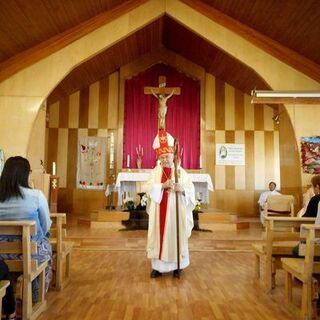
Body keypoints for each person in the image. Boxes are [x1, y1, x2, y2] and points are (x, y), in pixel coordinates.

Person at [0, 156, 52, 302]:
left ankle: (7, 297)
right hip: (30, 254)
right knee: (44, 248)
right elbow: (46, 224)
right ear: (25, 174)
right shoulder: (35, 196)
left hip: (0, 257)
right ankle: (35, 296)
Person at [145, 129, 195, 278]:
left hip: (176, 214)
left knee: (175, 236)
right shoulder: (155, 172)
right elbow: (147, 188)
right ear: (159, 157)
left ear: (173, 155)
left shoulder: (181, 172)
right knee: (159, 237)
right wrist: (162, 186)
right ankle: (158, 268)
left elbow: (191, 189)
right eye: (162, 157)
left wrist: (183, 189)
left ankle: (177, 267)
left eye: (167, 156)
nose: (165, 159)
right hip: (159, 212)